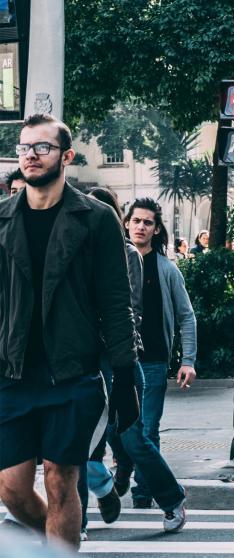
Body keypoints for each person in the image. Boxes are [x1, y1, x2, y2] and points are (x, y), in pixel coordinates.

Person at [0, 114, 139, 549]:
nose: (31, 155)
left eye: (42, 147)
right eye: (24, 147)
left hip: (72, 374)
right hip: (13, 373)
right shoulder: (3, 218)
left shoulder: (95, 219)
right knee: (12, 490)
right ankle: (55, 544)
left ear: (66, 156)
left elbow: (117, 304)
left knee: (62, 481)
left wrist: (125, 377)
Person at [84, 188, 188, 535]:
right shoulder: (79, 252)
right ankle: (80, 517)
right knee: (83, 440)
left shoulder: (126, 254)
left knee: (134, 437)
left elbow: (126, 310)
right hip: (84, 361)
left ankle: (171, 498)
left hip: (123, 360)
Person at [119, 198, 197, 510]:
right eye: (136, 220)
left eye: (147, 222)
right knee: (120, 432)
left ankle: (142, 495)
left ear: (156, 229)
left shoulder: (166, 269)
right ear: (126, 223)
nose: (140, 226)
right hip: (118, 362)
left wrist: (187, 359)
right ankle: (125, 471)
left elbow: (186, 316)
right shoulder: (114, 263)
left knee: (147, 429)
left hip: (152, 361)